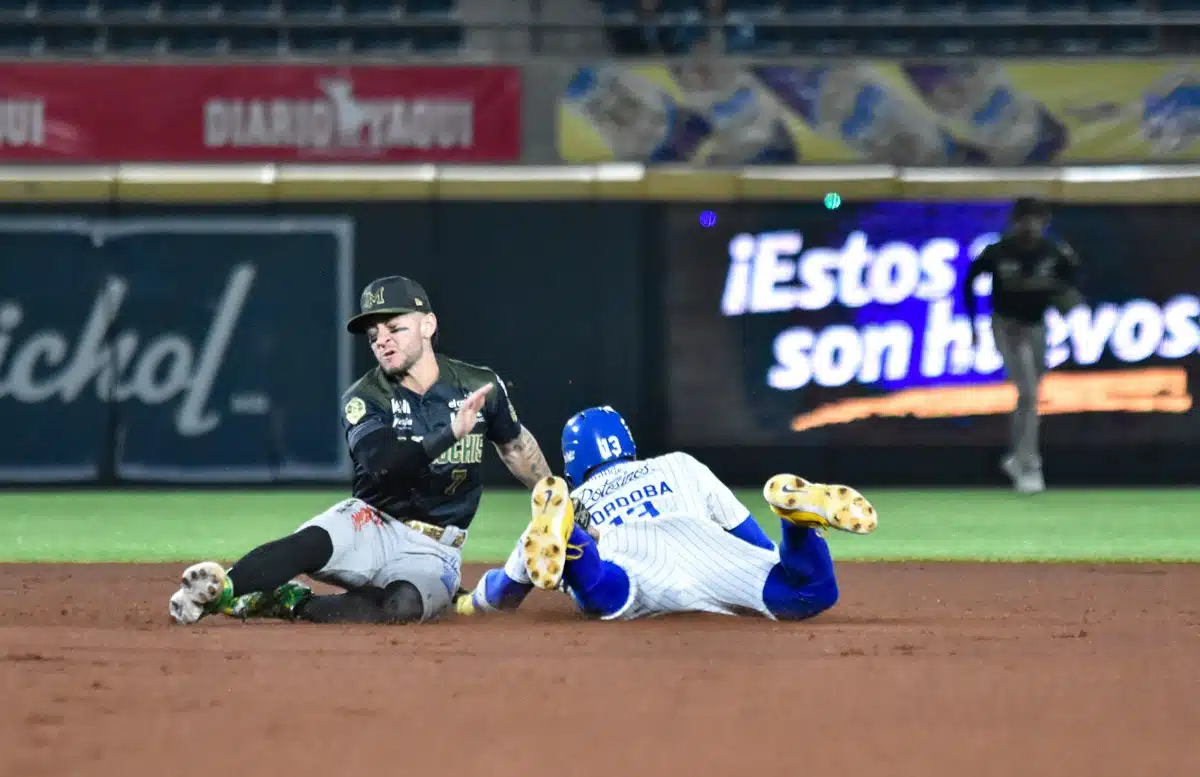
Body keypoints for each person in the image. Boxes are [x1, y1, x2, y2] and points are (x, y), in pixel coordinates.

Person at [168, 275, 554, 626]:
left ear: (428, 325)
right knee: (306, 544)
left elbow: (516, 446)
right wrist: (450, 432)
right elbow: (383, 466)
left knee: (400, 608)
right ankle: (222, 592)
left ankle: (289, 602)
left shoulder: (479, 385)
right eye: (373, 335)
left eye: (394, 327)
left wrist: (557, 501)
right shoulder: (365, 397)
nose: (382, 339)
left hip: (437, 547)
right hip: (372, 522)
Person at [454, 406, 876, 622]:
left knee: (605, 593)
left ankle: (573, 538)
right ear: (628, 444)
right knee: (810, 593)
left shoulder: (577, 496)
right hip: (702, 543)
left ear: (571, 464)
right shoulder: (679, 464)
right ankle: (797, 522)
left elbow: (504, 593)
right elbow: (755, 544)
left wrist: (470, 605)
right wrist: (758, 570)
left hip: (623, 549)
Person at [964, 197, 1084, 494]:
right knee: (1028, 392)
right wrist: (972, 327)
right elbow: (969, 283)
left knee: (1029, 397)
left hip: (1037, 326)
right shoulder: (999, 250)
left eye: (1035, 220)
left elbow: (1072, 280)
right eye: (1023, 219)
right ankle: (1029, 463)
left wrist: (1064, 299)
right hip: (1007, 325)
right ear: (1014, 222)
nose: (1029, 226)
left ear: (1044, 223)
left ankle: (1017, 457)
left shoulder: (1053, 251)